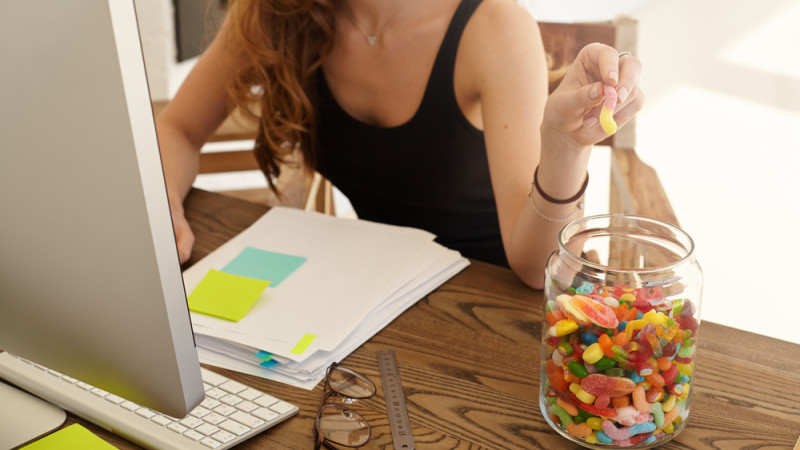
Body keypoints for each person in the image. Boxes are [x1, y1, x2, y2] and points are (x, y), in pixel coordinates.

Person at [156, 0, 644, 289]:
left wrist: (563, 145)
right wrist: (162, 206)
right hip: (378, 291)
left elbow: (540, 270)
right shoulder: (280, 12)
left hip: (499, 302)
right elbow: (177, 127)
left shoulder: (494, 26)